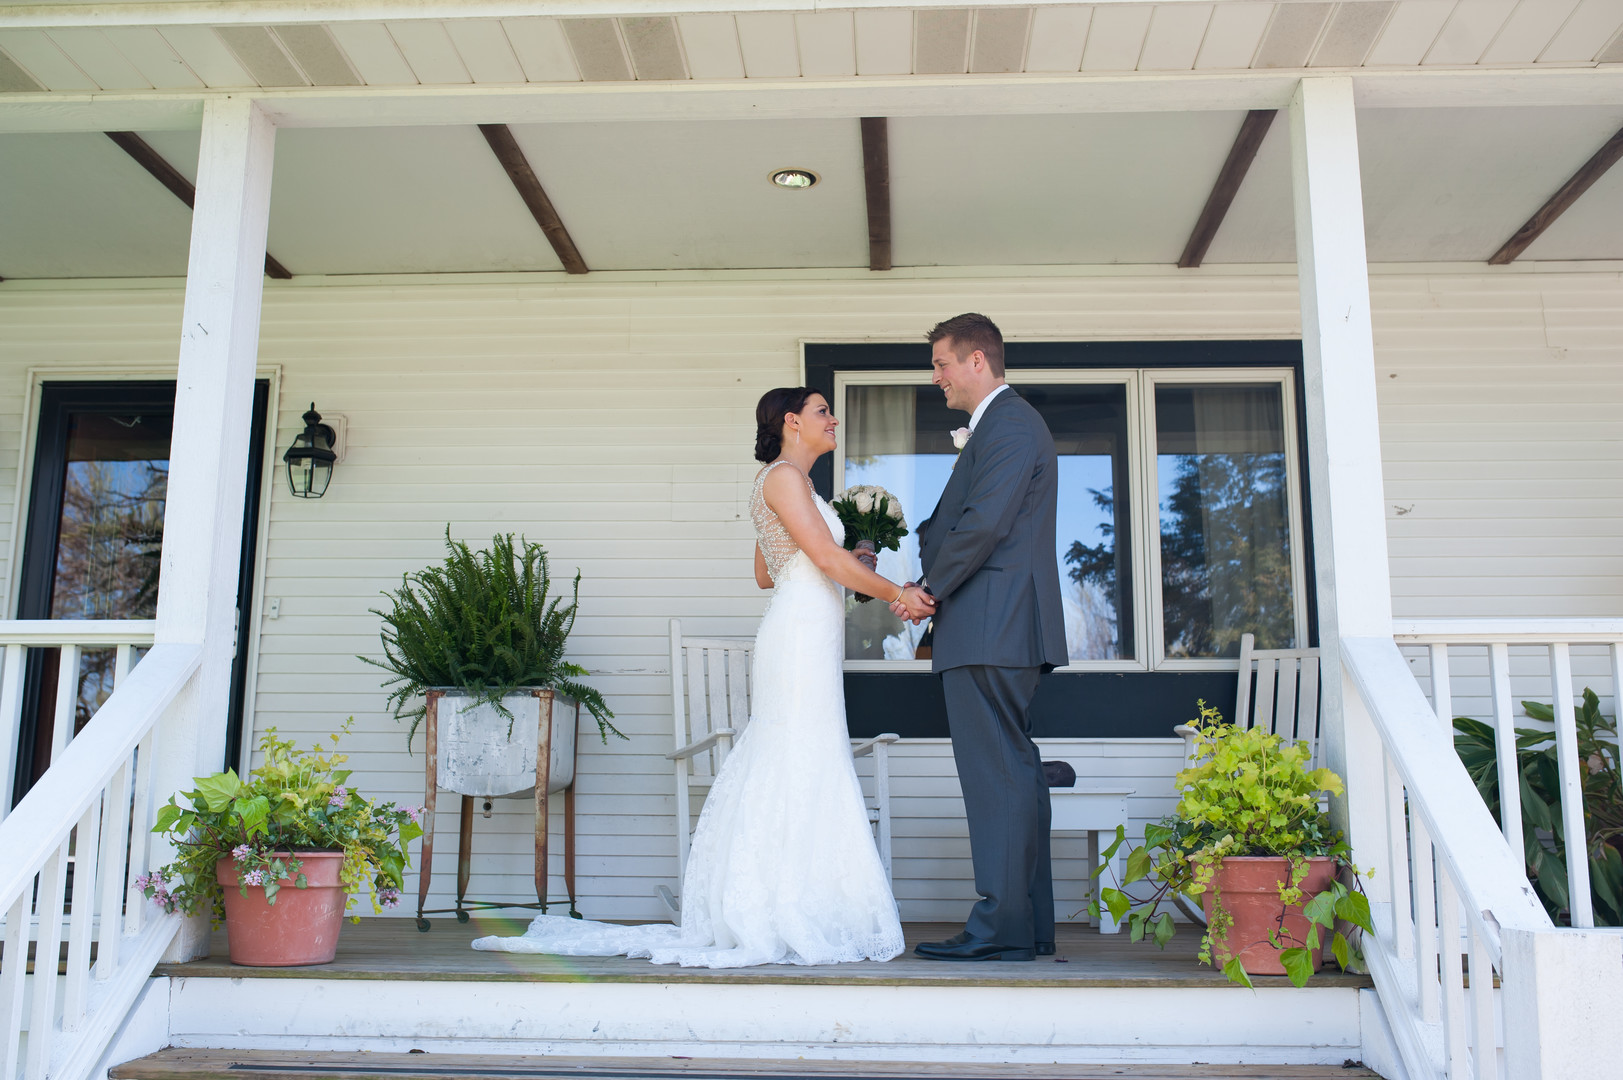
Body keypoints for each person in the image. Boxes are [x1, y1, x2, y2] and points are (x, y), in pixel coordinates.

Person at [473, 387, 930, 967]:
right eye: (822, 411)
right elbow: (819, 560)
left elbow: (768, 570)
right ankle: (778, 908)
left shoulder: (796, 484)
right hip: (797, 635)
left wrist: (846, 559)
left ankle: (796, 902)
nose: (832, 418)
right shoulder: (784, 479)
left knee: (807, 755)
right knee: (795, 752)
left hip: (807, 627)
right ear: (792, 422)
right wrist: (895, 589)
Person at [893, 313, 1067, 962]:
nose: (934, 376)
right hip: (994, 624)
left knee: (994, 775)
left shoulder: (1011, 423)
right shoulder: (1002, 426)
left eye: (940, 363)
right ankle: (1024, 927)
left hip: (991, 623)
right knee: (1013, 772)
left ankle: (997, 929)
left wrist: (926, 588)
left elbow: (983, 523)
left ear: (976, 362)